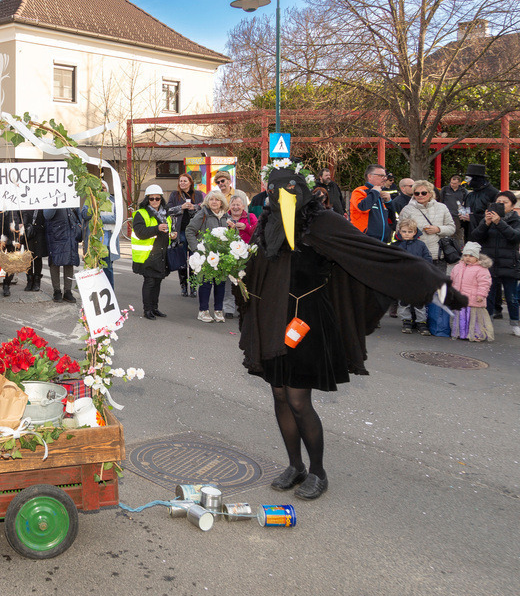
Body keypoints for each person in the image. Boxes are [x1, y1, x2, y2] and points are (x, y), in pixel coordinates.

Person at [236, 163, 465, 501]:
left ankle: (318, 471)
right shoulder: (267, 223)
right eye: (273, 190)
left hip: (308, 319)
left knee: (298, 399)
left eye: (287, 190)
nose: (279, 195)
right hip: (273, 320)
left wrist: (434, 281)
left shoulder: (322, 221)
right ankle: (295, 465)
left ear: (301, 191)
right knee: (280, 395)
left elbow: (370, 254)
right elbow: (256, 266)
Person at [469, 191, 520, 335]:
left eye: (505, 203)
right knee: (488, 295)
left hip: (509, 264)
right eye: (498, 202)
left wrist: (499, 222)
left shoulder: (516, 220)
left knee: (511, 298)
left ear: (512, 205)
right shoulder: (488, 219)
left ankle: (515, 323)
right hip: (488, 263)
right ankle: (487, 322)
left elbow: (515, 237)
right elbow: (476, 236)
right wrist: (486, 223)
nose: (501, 205)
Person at [185, 189, 231, 323]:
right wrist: (197, 249)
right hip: (206, 255)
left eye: (217, 199)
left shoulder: (225, 216)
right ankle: (203, 311)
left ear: (221, 202)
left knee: (220, 283)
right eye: (211, 199)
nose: (214, 202)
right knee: (206, 283)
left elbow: (229, 235)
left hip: (221, 255)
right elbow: (190, 230)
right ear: (207, 202)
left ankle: (218, 310)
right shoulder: (203, 214)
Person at [131, 184, 175, 320]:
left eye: (158, 198)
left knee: (157, 282)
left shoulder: (165, 214)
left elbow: (167, 232)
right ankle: (147, 310)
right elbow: (140, 233)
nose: (155, 201)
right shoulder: (141, 213)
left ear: (161, 199)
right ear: (147, 200)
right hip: (148, 255)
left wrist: (172, 235)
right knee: (150, 282)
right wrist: (157, 228)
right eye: (152, 199)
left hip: (161, 254)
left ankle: (155, 308)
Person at [398, 180, 454, 271]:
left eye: (424, 193)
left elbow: (452, 228)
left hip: (438, 256)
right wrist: (413, 234)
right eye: (416, 193)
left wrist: (438, 229)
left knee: (438, 285)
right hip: (415, 257)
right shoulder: (407, 209)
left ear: (431, 193)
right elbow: (399, 232)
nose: (420, 195)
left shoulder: (442, 207)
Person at [391, 219, 433, 334]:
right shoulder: (396, 246)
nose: (407, 234)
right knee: (404, 302)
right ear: (399, 231)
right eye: (404, 231)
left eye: (410, 231)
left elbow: (428, 259)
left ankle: (421, 323)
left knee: (419, 303)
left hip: (418, 279)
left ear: (415, 232)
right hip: (403, 280)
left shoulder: (421, 245)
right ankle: (406, 322)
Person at [222, 190, 257, 319]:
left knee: (245, 281)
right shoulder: (225, 217)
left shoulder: (250, 217)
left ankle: (244, 307)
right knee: (229, 283)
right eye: (233, 204)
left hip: (246, 255)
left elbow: (257, 233)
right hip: (230, 255)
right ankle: (229, 308)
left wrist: (246, 227)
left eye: (238, 204)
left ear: (243, 206)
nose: (236, 207)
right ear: (229, 206)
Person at [167, 172, 203, 296]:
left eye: (185, 181)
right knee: (182, 260)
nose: (182, 183)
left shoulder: (198, 194)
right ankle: (183, 286)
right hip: (180, 231)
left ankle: (193, 287)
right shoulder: (174, 195)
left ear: (190, 183)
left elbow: (203, 208)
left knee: (194, 259)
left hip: (194, 232)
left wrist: (194, 207)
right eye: (180, 181)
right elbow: (168, 210)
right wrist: (180, 207)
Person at [450, 242, 494, 341]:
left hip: (474, 299)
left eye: (471, 256)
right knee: (461, 318)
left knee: (474, 319)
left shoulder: (481, 269)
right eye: (465, 255)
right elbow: (452, 281)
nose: (468, 258)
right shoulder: (457, 267)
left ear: (477, 257)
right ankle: (461, 333)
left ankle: (476, 334)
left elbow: (485, 284)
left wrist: (481, 295)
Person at [42, 206, 82, 303]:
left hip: (70, 234)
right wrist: (55, 203)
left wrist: (79, 225)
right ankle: (57, 291)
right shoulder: (51, 197)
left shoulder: (71, 196)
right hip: (56, 235)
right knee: (55, 262)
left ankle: (68, 291)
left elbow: (78, 216)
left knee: (69, 261)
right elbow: (47, 215)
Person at [349, 164, 393, 242]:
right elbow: (363, 208)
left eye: (385, 176)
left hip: (383, 241)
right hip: (364, 240)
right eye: (381, 176)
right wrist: (374, 192)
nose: (385, 178)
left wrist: (389, 202)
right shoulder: (359, 191)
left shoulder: (381, 194)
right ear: (370, 176)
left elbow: (391, 219)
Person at [22, 209, 47, 291]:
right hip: (27, 230)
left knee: (37, 256)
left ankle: (37, 281)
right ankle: (29, 280)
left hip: (39, 230)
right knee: (28, 257)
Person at [439, 174, 468, 244]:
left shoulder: (463, 191)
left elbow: (466, 203)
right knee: (445, 233)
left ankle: (457, 248)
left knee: (457, 233)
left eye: (454, 183)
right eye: (451, 182)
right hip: (446, 214)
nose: (452, 184)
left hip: (457, 215)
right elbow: (440, 200)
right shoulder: (445, 189)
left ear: (459, 183)